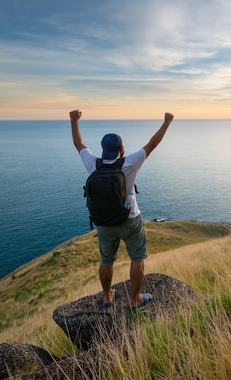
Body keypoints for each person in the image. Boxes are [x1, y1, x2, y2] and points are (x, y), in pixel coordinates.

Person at [70, 109, 174, 310]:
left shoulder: (93, 163)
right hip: (130, 220)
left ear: (102, 149)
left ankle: (108, 296)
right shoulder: (130, 163)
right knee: (137, 257)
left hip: (104, 222)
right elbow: (152, 144)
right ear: (122, 148)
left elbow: (78, 144)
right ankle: (135, 299)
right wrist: (167, 123)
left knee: (106, 259)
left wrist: (74, 120)